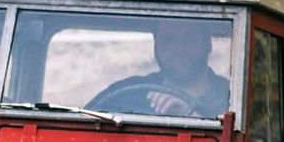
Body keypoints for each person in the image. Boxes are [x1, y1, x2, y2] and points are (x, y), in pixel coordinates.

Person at [88, 19, 229, 117]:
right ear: (156, 47)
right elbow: (82, 124)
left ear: (208, 44)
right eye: (168, 40)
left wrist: (192, 114)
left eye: (189, 38)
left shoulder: (232, 99)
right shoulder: (125, 94)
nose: (178, 49)